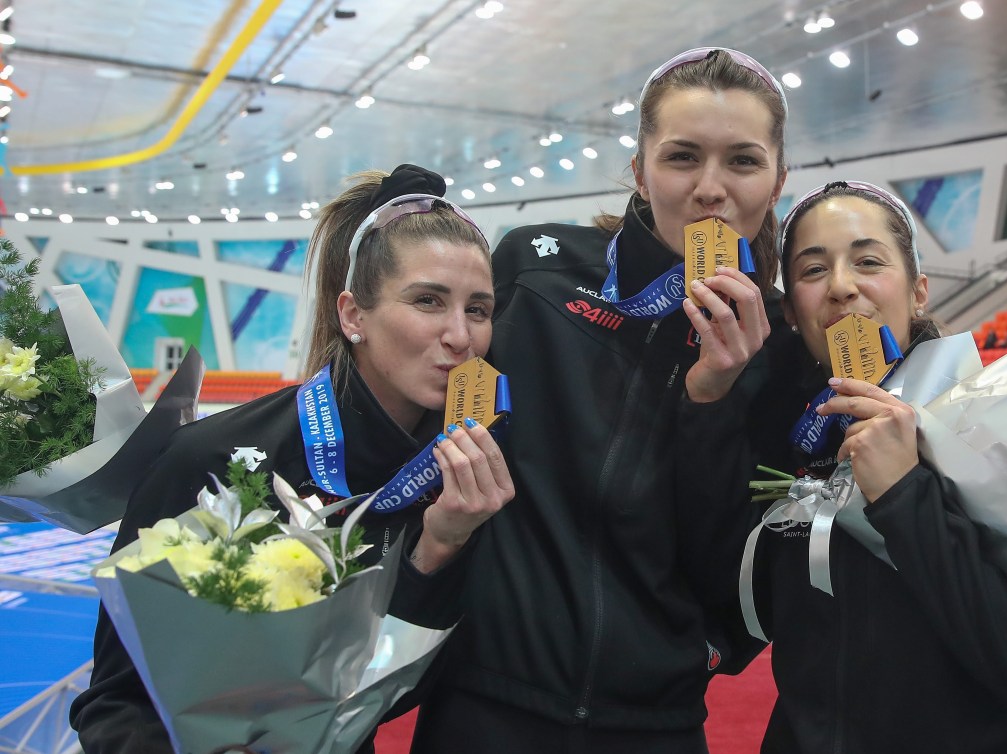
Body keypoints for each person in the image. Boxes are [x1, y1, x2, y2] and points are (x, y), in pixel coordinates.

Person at [407, 48, 792, 752]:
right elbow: (427, 422)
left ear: (777, 180)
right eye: (682, 158)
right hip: (487, 707)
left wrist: (712, 397)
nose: (712, 189)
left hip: (654, 725)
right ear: (641, 171)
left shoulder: (782, 350)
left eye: (742, 161)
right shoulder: (534, 269)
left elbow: (736, 565)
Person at [69, 165, 515, 753]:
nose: (460, 336)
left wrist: (438, 550)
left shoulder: (467, 481)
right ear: (353, 314)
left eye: (478, 309)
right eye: (428, 301)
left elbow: (397, 693)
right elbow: (115, 698)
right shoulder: (210, 458)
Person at [750, 181, 1007, 753]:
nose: (841, 287)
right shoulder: (782, 443)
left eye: (868, 261)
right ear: (790, 312)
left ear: (918, 292)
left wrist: (906, 492)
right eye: (813, 271)